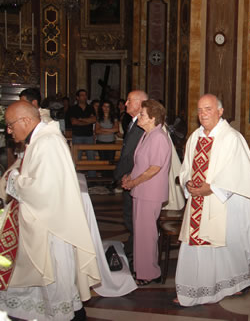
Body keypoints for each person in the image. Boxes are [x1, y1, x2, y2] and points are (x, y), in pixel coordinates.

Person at [175, 94, 250, 306]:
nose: (203, 114)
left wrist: (212, 189)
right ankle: (194, 290)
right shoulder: (194, 137)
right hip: (198, 201)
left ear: (220, 111)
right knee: (196, 246)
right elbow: (186, 167)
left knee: (228, 246)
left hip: (227, 203)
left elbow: (237, 172)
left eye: (208, 109)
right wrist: (187, 183)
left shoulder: (232, 138)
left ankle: (235, 284)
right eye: (199, 110)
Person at [0, 101, 100, 320]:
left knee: (54, 280)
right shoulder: (39, 139)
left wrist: (14, 180)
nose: (8, 131)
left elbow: (42, 190)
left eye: (10, 125)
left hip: (52, 229)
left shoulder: (47, 143)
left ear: (25, 120)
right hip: (45, 223)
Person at [122, 100, 171, 285]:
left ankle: (149, 272)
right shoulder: (147, 135)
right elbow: (141, 163)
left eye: (142, 114)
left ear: (152, 118)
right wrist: (129, 177)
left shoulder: (158, 137)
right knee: (141, 233)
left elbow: (154, 168)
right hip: (141, 191)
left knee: (147, 234)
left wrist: (134, 181)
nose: (139, 117)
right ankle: (142, 270)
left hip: (150, 192)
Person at [114, 90, 149, 257]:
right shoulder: (133, 122)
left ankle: (137, 252)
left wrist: (122, 174)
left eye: (129, 100)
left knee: (135, 218)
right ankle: (132, 245)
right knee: (130, 215)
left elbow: (131, 155)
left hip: (134, 178)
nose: (125, 103)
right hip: (129, 177)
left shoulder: (143, 126)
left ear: (140, 104)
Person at [69, 89, 97, 177]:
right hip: (77, 135)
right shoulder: (73, 108)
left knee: (91, 157)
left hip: (89, 135)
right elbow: (74, 122)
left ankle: (92, 177)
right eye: (82, 95)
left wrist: (80, 120)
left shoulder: (90, 108)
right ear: (77, 97)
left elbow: (94, 120)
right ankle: (76, 177)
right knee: (77, 158)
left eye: (85, 95)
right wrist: (87, 121)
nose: (84, 97)